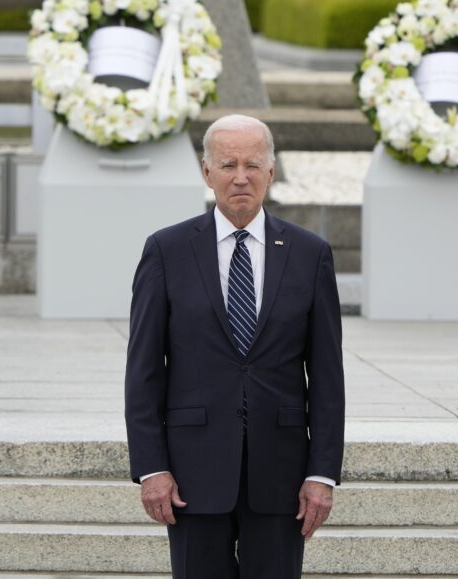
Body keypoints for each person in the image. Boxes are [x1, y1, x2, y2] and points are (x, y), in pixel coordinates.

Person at [125, 114, 345, 579]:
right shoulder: (167, 250)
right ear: (207, 173)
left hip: (282, 474)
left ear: (271, 170)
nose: (240, 177)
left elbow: (327, 377)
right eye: (227, 165)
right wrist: (151, 467)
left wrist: (321, 473)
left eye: (252, 164)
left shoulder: (310, 254)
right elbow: (144, 370)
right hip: (191, 473)